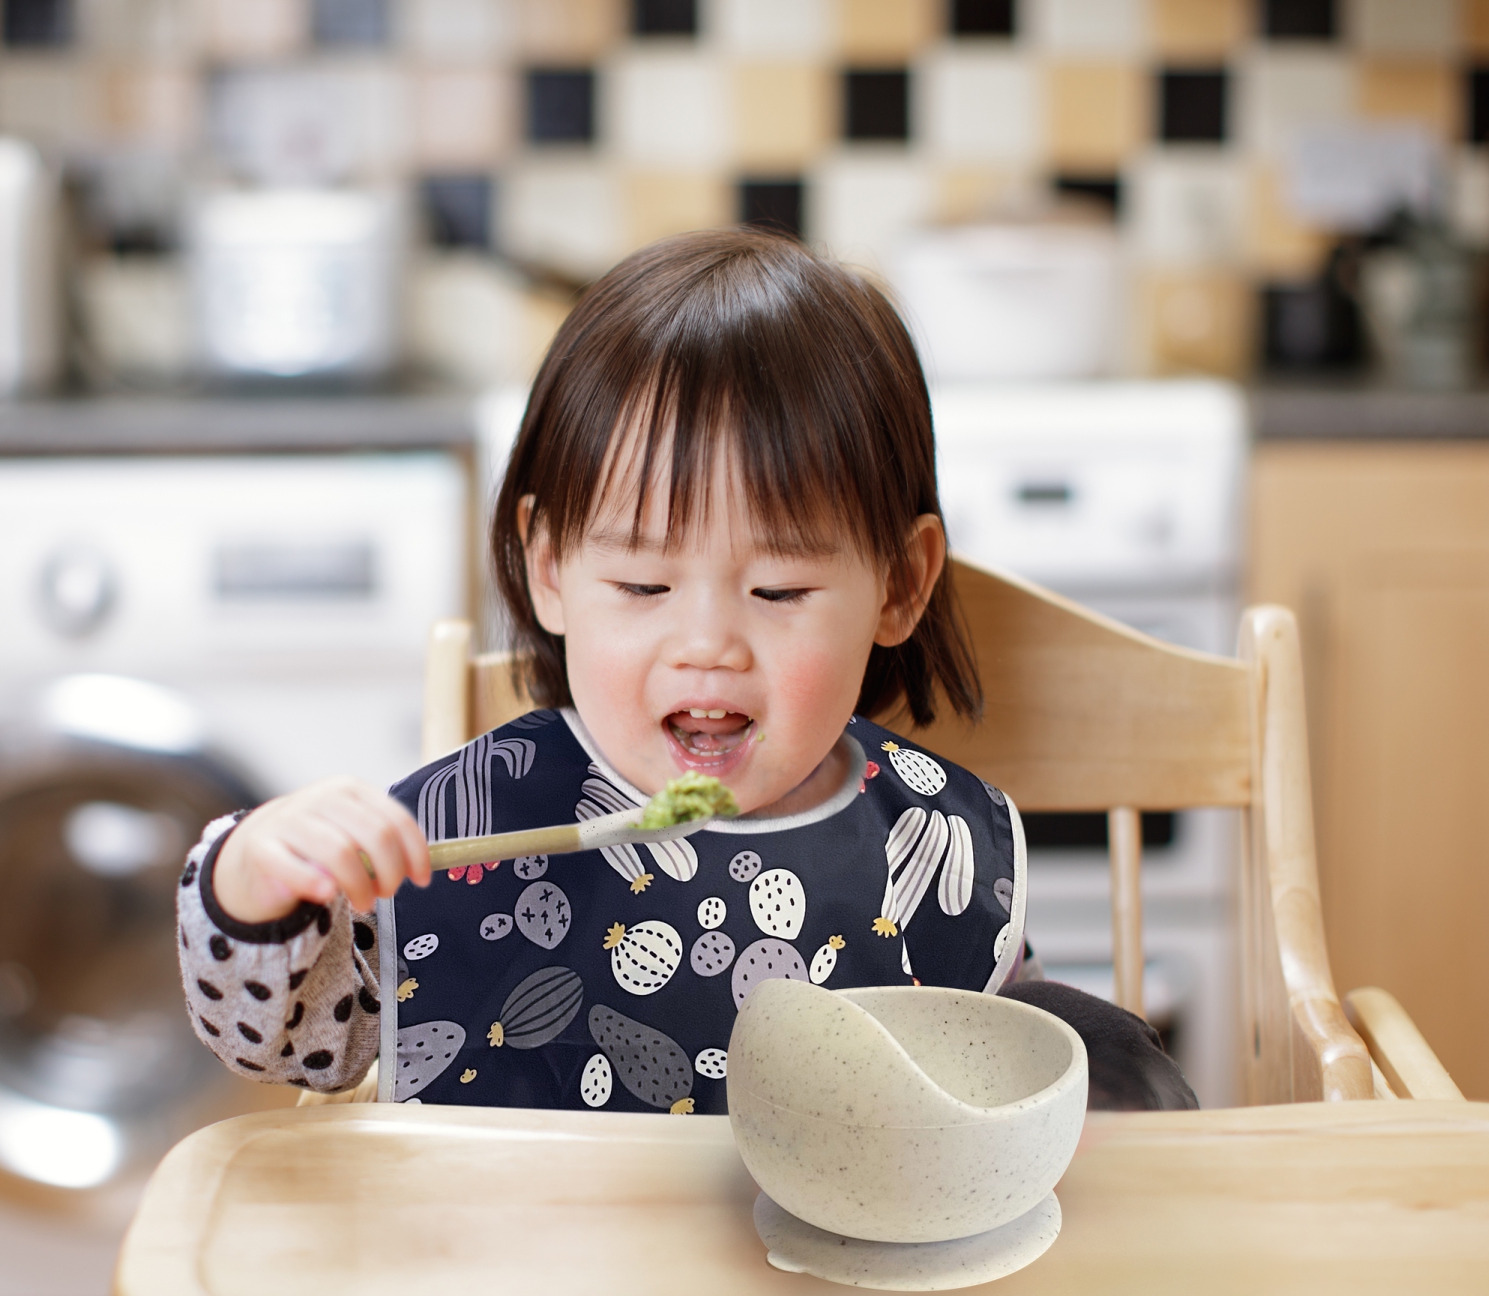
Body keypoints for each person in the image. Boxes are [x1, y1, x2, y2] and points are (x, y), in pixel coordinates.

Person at [177, 229, 1194, 1114]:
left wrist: (1086, 1068)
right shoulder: (473, 822)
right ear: (550, 571)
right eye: (643, 586)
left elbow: (994, 1077)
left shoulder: (935, 842)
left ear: (898, 584)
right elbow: (283, 1042)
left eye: (780, 592)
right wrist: (254, 880)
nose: (707, 643)